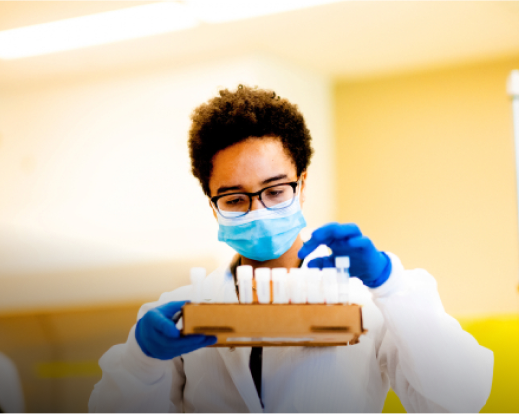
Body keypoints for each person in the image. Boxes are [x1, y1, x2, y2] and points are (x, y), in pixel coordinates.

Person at [89, 85, 493, 414]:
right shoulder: (181, 314)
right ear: (211, 203)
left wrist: (389, 283)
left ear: (303, 184)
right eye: (234, 199)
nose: (258, 211)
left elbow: (458, 400)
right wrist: (142, 361)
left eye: (276, 190)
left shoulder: (367, 300)